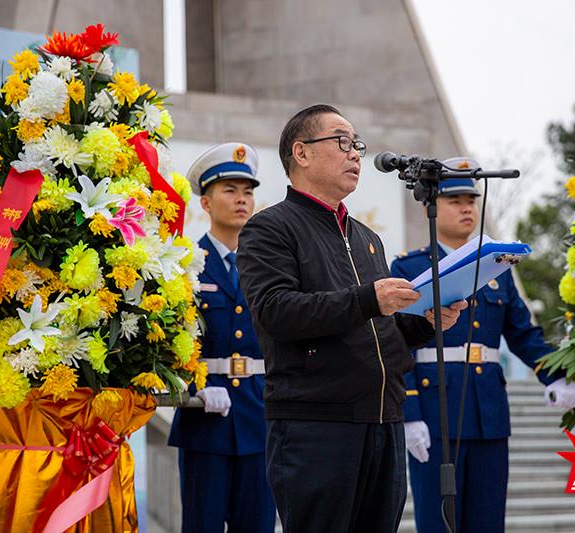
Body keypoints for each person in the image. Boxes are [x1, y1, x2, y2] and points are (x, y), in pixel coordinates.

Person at [236, 104, 466, 533]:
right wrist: (367, 299)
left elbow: (378, 325)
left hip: (383, 420)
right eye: (342, 142)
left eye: (357, 144)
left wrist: (426, 322)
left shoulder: (367, 238)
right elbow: (276, 311)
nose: (356, 154)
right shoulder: (270, 229)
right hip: (316, 427)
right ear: (301, 153)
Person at [390, 157, 575, 533]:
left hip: (488, 413)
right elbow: (398, 343)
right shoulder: (409, 269)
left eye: (471, 200)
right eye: (455, 199)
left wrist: (555, 377)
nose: (466, 207)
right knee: (439, 523)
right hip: (435, 412)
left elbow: (523, 334)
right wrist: (409, 412)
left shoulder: (497, 269)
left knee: (488, 522)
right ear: (433, 204)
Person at [168, 142, 276, 533]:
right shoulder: (182, 264)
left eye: (248, 192)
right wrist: (195, 383)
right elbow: (168, 339)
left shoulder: (270, 267)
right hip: (204, 418)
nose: (242, 200)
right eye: (229, 191)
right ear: (206, 203)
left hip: (260, 416)